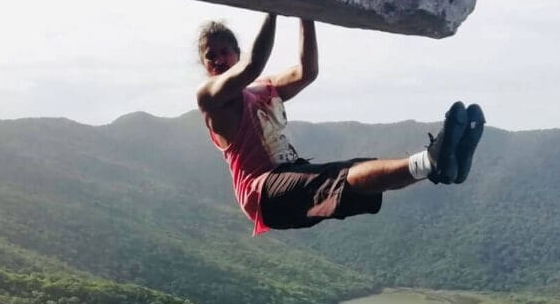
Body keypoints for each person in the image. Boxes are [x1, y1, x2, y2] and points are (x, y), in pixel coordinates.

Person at [196, 13, 485, 236]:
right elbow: (252, 65)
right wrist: (273, 6)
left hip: (289, 173)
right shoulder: (209, 97)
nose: (220, 60)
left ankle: (438, 165)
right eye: (212, 56)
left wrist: (305, 13)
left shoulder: (261, 88)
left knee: (360, 173)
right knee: (342, 176)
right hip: (263, 193)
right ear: (204, 65)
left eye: (225, 52)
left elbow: (307, 72)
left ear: (235, 51)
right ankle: (434, 159)